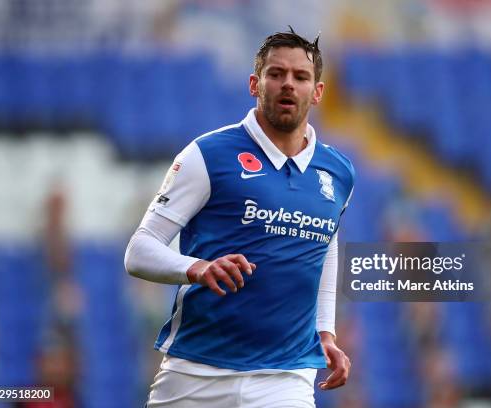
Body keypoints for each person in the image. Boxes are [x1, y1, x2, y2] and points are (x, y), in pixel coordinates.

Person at [125, 27, 354, 408]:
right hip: (195, 372)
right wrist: (197, 268)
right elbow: (138, 251)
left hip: (285, 378)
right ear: (255, 84)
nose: (287, 85)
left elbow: (324, 247)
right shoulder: (207, 155)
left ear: (317, 92)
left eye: (300, 77)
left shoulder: (338, 171)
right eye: (276, 74)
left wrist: (325, 332)